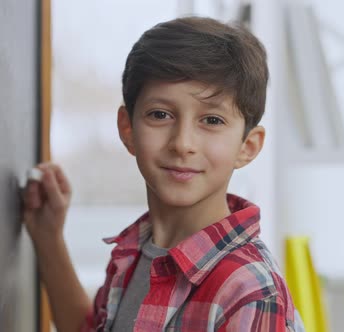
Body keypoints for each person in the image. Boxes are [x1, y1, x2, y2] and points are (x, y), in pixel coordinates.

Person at [23, 16, 305, 332]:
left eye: (211, 121)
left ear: (248, 147)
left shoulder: (248, 290)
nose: (182, 144)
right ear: (127, 128)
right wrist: (48, 237)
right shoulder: (133, 254)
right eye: (161, 115)